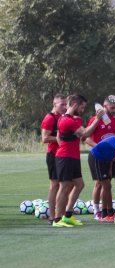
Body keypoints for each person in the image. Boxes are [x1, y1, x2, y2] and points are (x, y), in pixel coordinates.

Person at [53, 94, 104, 227]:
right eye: (82, 107)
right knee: (64, 187)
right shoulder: (67, 120)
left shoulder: (74, 119)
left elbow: (61, 137)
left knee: (79, 184)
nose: (83, 109)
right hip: (65, 157)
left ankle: (68, 215)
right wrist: (97, 119)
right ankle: (57, 219)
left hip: (72, 157)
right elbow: (86, 134)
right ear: (75, 105)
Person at [85, 95, 115, 221]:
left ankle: (106, 211)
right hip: (97, 155)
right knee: (100, 184)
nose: (114, 110)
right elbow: (86, 138)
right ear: (104, 106)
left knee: (107, 184)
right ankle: (99, 212)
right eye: (112, 107)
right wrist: (99, 146)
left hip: (109, 157)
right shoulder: (95, 120)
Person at [40, 94, 67, 225]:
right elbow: (44, 138)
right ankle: (52, 216)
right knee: (55, 185)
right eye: (62, 104)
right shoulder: (49, 118)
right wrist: (59, 138)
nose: (64, 107)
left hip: (63, 155)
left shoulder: (63, 117)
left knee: (66, 185)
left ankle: (60, 215)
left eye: (66, 104)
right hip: (53, 155)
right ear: (54, 104)